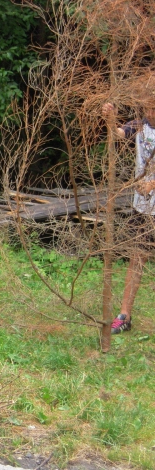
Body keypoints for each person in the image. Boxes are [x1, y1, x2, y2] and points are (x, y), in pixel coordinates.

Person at [103, 97, 155, 334]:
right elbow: (117, 135)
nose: (150, 112)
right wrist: (110, 118)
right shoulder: (139, 126)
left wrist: (152, 183)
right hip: (143, 208)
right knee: (136, 259)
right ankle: (125, 315)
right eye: (147, 107)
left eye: (154, 108)